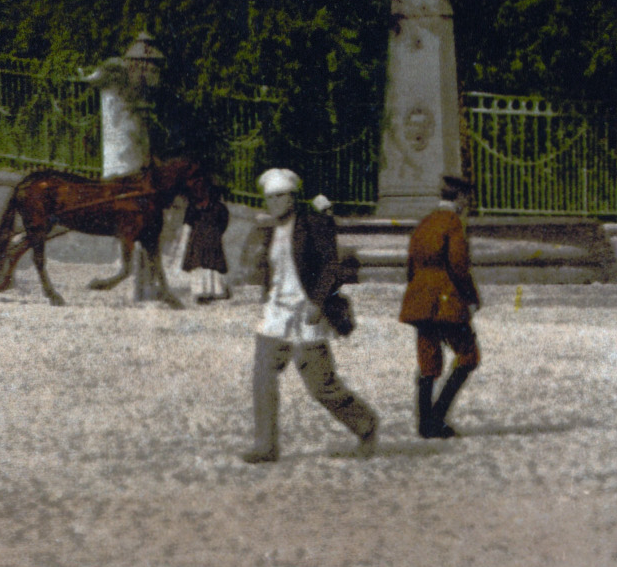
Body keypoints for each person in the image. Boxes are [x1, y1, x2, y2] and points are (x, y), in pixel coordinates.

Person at [238, 168, 376, 463]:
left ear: (292, 197)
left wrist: (318, 301)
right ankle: (265, 446)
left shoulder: (313, 224)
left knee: (321, 386)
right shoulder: (269, 232)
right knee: (262, 378)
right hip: (275, 315)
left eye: (280, 196)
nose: (274, 203)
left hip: (306, 314)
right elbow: (269, 271)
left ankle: (365, 424)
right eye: (270, 198)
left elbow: (331, 266)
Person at [399, 172, 485, 439]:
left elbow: (410, 264)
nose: (467, 203)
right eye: (466, 198)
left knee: (428, 361)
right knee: (468, 356)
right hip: (447, 300)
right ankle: (437, 417)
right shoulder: (453, 223)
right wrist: (471, 298)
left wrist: (419, 291)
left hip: (420, 299)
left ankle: (425, 424)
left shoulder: (424, 222)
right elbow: (459, 266)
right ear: (459, 197)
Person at [180, 178, 232, 304]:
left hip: (212, 239)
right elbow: (187, 223)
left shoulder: (219, 207)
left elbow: (223, 223)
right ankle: (200, 293)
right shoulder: (193, 208)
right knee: (199, 266)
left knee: (212, 266)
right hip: (197, 241)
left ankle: (215, 292)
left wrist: (215, 233)